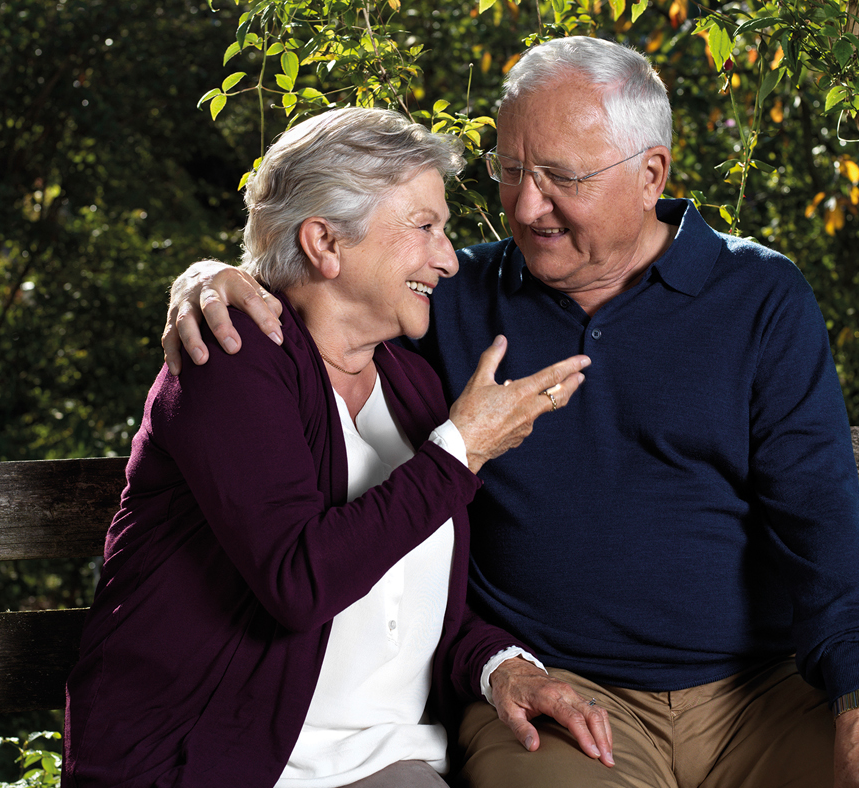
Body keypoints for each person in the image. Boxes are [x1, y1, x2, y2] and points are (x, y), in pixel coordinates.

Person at [161, 38, 859, 788]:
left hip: (757, 694)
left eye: (561, 177)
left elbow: (824, 533)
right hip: (554, 698)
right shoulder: (452, 296)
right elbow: (322, 291)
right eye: (510, 172)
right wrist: (209, 277)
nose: (524, 207)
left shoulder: (760, 299)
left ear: (652, 174)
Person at [62, 107, 606, 788]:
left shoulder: (410, 384)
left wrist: (504, 670)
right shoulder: (229, 355)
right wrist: (459, 452)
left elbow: (413, 601)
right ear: (324, 242)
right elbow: (299, 581)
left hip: (390, 762)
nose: (446, 258)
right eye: (425, 227)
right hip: (221, 763)